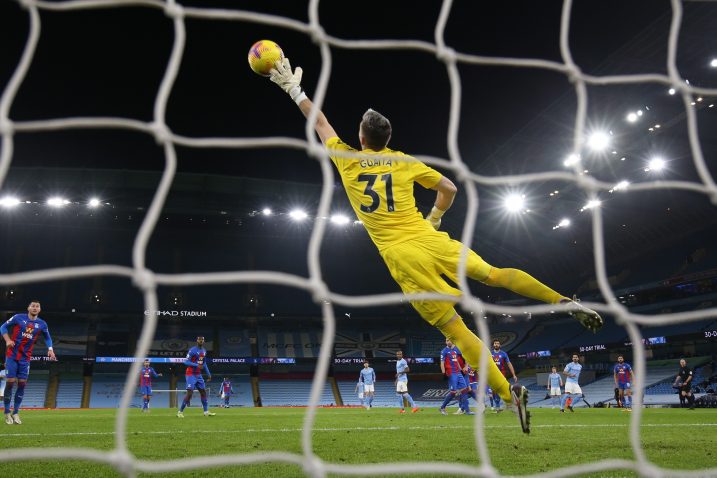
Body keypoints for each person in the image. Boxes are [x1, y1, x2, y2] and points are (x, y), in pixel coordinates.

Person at [268, 58, 604, 434]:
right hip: (428, 237)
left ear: (361, 139)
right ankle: (563, 301)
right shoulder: (404, 162)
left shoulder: (346, 160)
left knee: (457, 331)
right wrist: (435, 219)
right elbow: (450, 188)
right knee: (493, 274)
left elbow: (320, 123)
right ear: (386, 140)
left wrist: (294, 90)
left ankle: (509, 396)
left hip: (402, 256)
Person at [1, 300, 56, 425]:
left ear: (40, 309)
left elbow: (47, 337)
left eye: (37, 306)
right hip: (12, 356)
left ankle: (15, 413)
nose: (35, 308)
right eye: (33, 306)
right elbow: (3, 327)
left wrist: (50, 349)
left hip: (25, 358)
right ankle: (6, 412)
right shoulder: (18, 318)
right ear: (28, 308)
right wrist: (8, 340)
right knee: (10, 382)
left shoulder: (42, 324)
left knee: (22, 384)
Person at [177, 336, 215, 417]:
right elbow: (186, 362)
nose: (201, 341)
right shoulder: (192, 350)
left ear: (204, 341)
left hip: (198, 374)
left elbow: (204, 364)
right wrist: (196, 365)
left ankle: (206, 412)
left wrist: (209, 374)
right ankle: (180, 412)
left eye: (202, 340)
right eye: (199, 339)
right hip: (190, 373)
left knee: (203, 392)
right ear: (197, 341)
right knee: (190, 393)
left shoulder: (204, 351)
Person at [439, 338, 471, 415]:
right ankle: (442, 407)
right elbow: (442, 362)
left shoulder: (457, 349)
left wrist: (466, 366)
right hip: (451, 373)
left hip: (458, 372)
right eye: (446, 340)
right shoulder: (444, 351)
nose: (447, 342)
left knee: (464, 389)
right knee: (453, 392)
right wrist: (443, 373)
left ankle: (467, 411)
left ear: (452, 341)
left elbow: (466, 356)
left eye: (449, 340)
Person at [491, 340, 518, 412]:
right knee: (494, 391)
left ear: (500, 345)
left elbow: (509, 364)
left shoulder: (503, 354)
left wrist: (514, 375)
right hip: (493, 374)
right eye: (495, 343)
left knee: (503, 389)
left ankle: (510, 404)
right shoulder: (490, 353)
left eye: (498, 343)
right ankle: (497, 405)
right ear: (493, 345)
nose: (496, 344)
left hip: (501, 374)